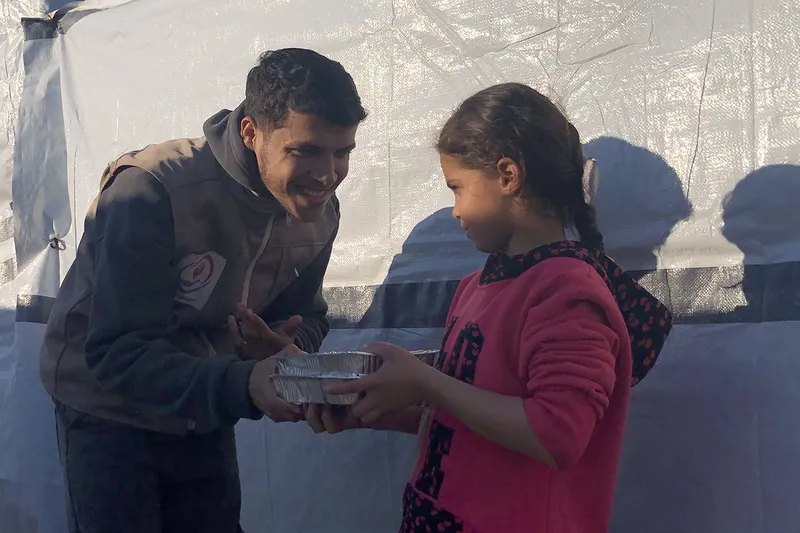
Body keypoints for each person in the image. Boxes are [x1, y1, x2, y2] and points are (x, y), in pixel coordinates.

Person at [310, 83, 672, 533]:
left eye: (457, 188)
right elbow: (472, 419)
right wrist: (375, 411)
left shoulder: (566, 291)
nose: (455, 211)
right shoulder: (476, 287)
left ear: (507, 175)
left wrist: (425, 379)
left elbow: (556, 433)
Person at [38, 48, 367, 533]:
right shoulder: (150, 190)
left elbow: (307, 315)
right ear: (252, 132)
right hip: (105, 407)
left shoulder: (321, 209)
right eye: (306, 151)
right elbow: (116, 354)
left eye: (342, 153)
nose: (327, 174)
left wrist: (284, 351)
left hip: (204, 407)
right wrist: (244, 383)